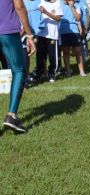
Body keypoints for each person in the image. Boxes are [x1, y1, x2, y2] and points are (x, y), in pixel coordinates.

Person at [0, 0, 36, 133]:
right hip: (7, 31)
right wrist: (29, 35)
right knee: (19, 70)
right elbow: (19, 6)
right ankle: (11, 115)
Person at [34, 0, 62, 83]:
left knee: (53, 56)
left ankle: (52, 74)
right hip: (41, 33)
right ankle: (39, 74)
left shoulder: (58, 3)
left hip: (52, 34)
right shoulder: (42, 2)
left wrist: (46, 12)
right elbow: (35, 10)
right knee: (40, 56)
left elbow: (58, 18)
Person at [60, 0, 86, 77]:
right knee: (65, 51)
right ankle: (68, 71)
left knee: (78, 51)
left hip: (74, 30)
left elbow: (78, 18)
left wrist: (72, 7)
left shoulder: (76, 5)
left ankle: (81, 71)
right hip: (63, 30)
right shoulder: (59, 3)